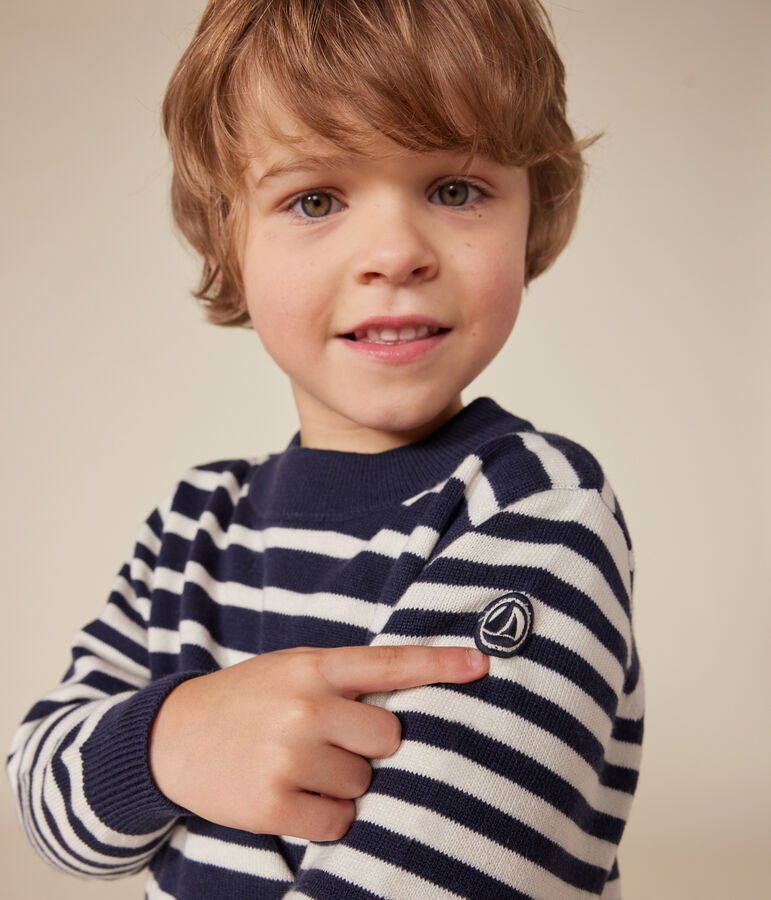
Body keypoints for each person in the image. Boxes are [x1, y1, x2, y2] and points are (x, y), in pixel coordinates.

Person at [7, 1, 644, 897]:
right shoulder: (194, 522)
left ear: (532, 214)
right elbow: (49, 807)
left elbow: (431, 876)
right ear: (226, 248)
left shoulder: (533, 509)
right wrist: (168, 739)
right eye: (314, 199)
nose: (394, 253)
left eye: (454, 190)